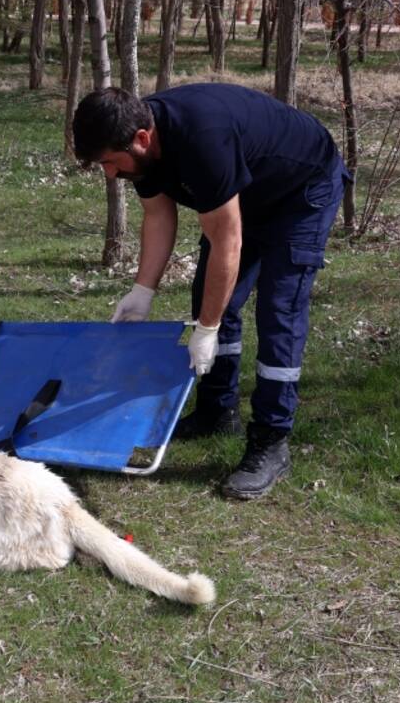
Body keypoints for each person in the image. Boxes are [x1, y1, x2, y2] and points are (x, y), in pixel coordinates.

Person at [72, 84, 347, 500]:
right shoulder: (143, 148)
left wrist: (208, 328)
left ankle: (271, 441)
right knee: (211, 296)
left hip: (302, 190)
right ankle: (217, 411)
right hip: (249, 192)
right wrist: (142, 291)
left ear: (142, 139)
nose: (110, 173)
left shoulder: (202, 139)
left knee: (278, 310)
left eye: (110, 162)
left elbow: (228, 242)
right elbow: (158, 215)